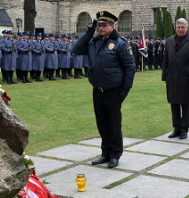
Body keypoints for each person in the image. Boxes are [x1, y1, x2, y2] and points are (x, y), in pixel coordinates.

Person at [72, 11, 135, 168]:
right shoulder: (94, 42)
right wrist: (88, 32)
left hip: (114, 90)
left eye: (104, 25)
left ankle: (115, 154)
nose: (100, 28)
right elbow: (76, 49)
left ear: (112, 26)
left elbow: (129, 67)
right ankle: (105, 153)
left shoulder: (121, 43)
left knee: (114, 124)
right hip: (97, 90)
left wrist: (125, 89)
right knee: (102, 123)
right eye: (99, 25)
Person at [162, 18, 189, 139]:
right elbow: (166, 60)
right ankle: (176, 127)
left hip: (187, 78)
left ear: (187, 28)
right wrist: (165, 76)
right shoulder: (169, 40)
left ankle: (184, 128)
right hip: (172, 77)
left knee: (185, 104)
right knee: (173, 103)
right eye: (178, 27)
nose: (180, 29)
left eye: (182, 27)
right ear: (176, 27)